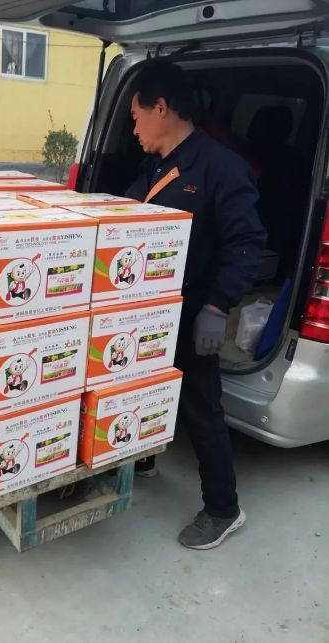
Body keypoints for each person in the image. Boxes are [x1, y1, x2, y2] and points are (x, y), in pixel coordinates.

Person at [126, 59, 266, 549]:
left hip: (192, 312)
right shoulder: (158, 166)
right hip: (150, 309)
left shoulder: (221, 168)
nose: (134, 128)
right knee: (144, 390)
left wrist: (217, 307)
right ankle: (142, 456)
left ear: (161, 108)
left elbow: (247, 243)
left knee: (201, 408)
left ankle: (224, 509)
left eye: (137, 116)